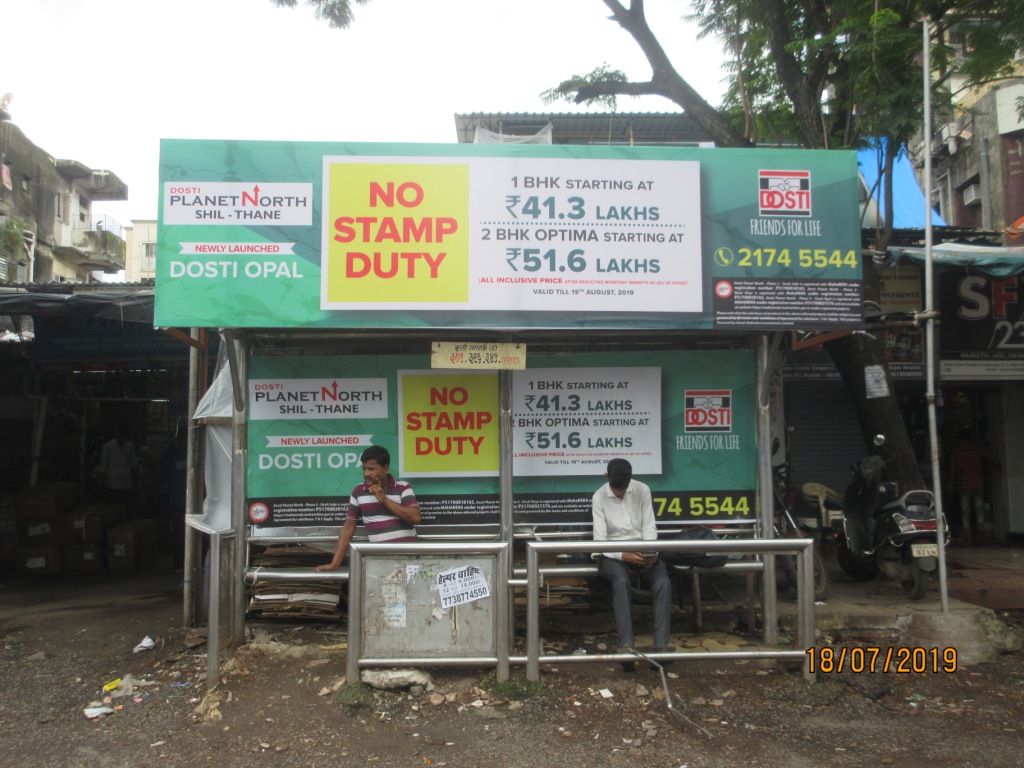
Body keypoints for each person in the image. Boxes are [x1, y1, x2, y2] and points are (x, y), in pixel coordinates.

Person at [592, 458, 673, 671]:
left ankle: (661, 646)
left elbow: (649, 525)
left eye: (623, 489)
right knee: (620, 581)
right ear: (606, 477)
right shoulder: (599, 497)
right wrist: (623, 554)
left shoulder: (642, 490)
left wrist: (650, 552)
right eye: (616, 490)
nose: (619, 493)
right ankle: (626, 645)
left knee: (663, 582)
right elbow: (600, 540)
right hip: (612, 554)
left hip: (642, 550)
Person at [316, 446, 421, 571]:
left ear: (385, 468)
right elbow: (349, 527)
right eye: (364, 469)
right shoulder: (358, 491)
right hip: (379, 562)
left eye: (371, 469)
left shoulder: (403, 487)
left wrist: (384, 499)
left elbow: (415, 517)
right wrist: (334, 564)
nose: (366, 474)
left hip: (408, 560)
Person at [948, 427, 1000, 543]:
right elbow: (989, 457)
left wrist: (951, 483)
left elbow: (953, 469)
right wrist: (1001, 464)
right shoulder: (976, 448)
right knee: (979, 508)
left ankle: (967, 534)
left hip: (964, 484)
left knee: (965, 510)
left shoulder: (957, 450)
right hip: (977, 482)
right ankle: (980, 531)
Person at [99, 424, 138, 509]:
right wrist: (103, 489)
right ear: (117, 434)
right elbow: (103, 469)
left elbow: (134, 466)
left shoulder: (130, 446)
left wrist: (136, 485)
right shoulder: (107, 447)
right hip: (113, 486)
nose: (122, 438)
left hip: (127, 485)